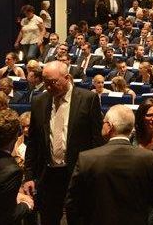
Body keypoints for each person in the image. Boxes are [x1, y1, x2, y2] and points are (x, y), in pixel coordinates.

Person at [23, 60, 105, 225]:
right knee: (48, 218)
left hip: (78, 173)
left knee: (78, 218)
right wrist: (29, 176)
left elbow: (97, 141)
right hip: (48, 174)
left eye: (52, 82)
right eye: (45, 83)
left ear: (67, 78)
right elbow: (33, 143)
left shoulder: (88, 99)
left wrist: (94, 174)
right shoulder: (40, 101)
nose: (48, 87)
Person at [66, 105, 153, 225]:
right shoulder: (148, 158)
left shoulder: (86, 158)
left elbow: (72, 203)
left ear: (109, 127)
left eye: (104, 122)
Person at [0, 110, 34, 224]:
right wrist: (26, 205)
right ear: (15, 137)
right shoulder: (12, 171)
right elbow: (5, 217)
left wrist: (15, 195)